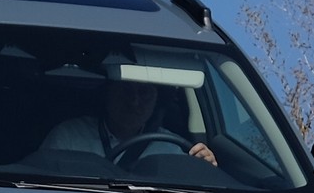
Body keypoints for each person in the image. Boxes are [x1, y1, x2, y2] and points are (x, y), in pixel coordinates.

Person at [40, 64, 218, 166]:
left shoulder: (172, 148)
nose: (134, 101)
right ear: (108, 94)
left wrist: (205, 168)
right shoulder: (68, 137)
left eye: (144, 93)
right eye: (126, 90)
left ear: (157, 100)